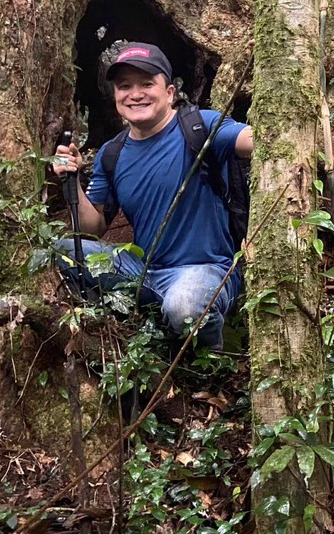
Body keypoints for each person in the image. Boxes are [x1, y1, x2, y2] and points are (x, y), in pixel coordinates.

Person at [52, 43, 252, 350]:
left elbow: (256, 140)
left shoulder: (201, 126)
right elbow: (91, 230)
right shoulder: (112, 153)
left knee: (184, 308)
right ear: (116, 96)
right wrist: (71, 181)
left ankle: (210, 366)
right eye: (124, 86)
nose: (135, 94)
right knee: (61, 252)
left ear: (170, 92)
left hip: (204, 269)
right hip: (143, 271)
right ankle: (117, 335)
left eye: (147, 84)